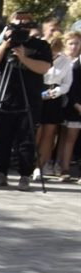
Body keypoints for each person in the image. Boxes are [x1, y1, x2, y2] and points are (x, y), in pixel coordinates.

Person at [0, 10, 52, 189]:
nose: (21, 25)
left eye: (25, 22)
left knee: (27, 139)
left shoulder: (40, 46)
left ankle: (24, 175)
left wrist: (23, 57)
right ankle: (1, 173)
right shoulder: (2, 44)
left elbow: (44, 68)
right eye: (17, 22)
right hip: (6, 98)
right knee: (3, 138)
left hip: (29, 99)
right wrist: (5, 45)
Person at [36, 35, 73, 178]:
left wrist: (55, 92)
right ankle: (31, 163)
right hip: (37, 94)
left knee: (49, 133)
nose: (52, 53)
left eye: (55, 51)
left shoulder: (65, 61)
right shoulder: (39, 57)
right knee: (36, 131)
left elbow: (66, 84)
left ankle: (41, 165)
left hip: (54, 97)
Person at [55, 32, 81, 181]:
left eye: (77, 43)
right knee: (63, 136)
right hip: (63, 102)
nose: (74, 46)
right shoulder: (63, 60)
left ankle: (65, 167)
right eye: (71, 43)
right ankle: (61, 167)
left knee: (70, 137)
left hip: (74, 103)